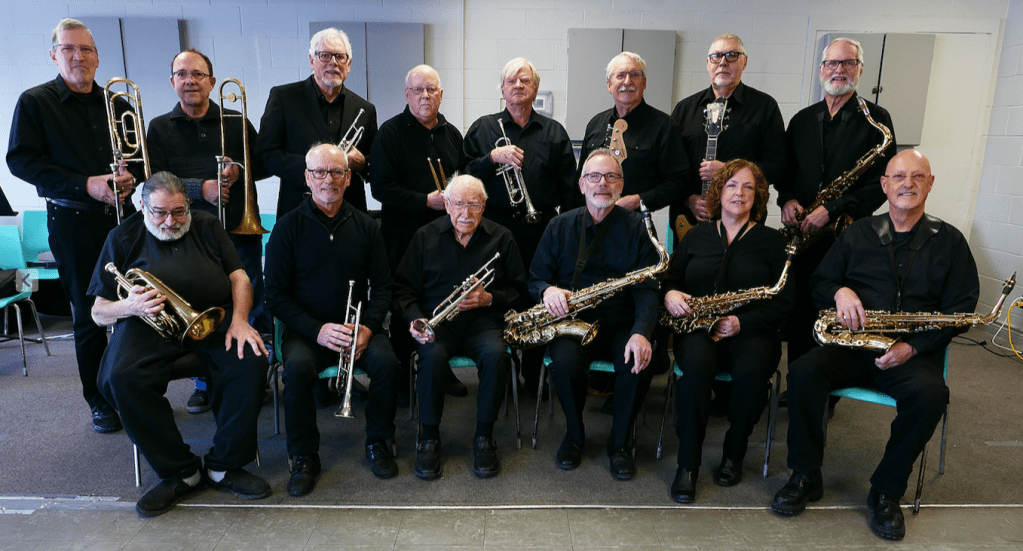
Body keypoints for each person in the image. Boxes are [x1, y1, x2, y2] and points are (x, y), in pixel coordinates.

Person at [770, 150, 978, 541]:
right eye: (898, 176)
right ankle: (805, 474)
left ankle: (886, 491)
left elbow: (961, 310)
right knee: (802, 372)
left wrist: (913, 347)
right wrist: (840, 291)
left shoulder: (950, 241)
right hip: (852, 347)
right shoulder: (858, 233)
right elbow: (820, 282)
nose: (907, 184)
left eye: (918, 176)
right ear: (884, 184)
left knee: (931, 395)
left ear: (930, 184)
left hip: (909, 353)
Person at [89, 172, 271, 517]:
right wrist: (129, 306)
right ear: (142, 206)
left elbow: (240, 278)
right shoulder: (122, 236)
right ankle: (180, 472)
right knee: (119, 377)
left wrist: (241, 320)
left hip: (213, 318)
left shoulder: (207, 224)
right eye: (159, 212)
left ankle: (225, 466)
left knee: (250, 359)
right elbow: (98, 312)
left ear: (188, 205)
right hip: (147, 324)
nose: (170, 222)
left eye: (178, 212)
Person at [6, 18, 140, 433]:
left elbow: (138, 157)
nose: (78, 56)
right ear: (54, 55)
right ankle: (99, 400)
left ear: (97, 57)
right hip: (72, 220)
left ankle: (131, 390)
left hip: (123, 218)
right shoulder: (35, 102)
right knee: (88, 315)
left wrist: (131, 176)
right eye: (68, 49)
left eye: (85, 49)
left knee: (135, 307)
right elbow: (20, 161)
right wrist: (85, 184)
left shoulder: (119, 103)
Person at [265, 143, 400, 495]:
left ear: (349, 178)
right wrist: (317, 330)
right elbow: (274, 296)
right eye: (320, 172)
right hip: (308, 331)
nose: (329, 180)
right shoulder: (287, 227)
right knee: (296, 370)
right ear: (307, 177)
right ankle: (304, 455)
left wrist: (369, 328)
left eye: (337, 172)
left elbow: (384, 288)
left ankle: (379, 442)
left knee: (387, 363)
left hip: (358, 328)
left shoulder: (367, 226)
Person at [661, 159, 793, 503]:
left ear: (758, 196)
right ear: (719, 192)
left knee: (751, 375)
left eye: (748, 187)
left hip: (753, 330)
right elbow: (670, 280)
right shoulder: (696, 236)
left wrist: (741, 323)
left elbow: (785, 302)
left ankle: (734, 453)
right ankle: (687, 465)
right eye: (732, 185)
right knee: (694, 374)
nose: (739, 193)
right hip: (700, 327)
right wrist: (671, 294)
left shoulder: (773, 241)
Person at [148, 48, 271, 413]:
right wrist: (199, 188)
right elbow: (155, 180)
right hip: (189, 234)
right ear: (172, 82)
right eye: (182, 74)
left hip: (239, 227)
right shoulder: (160, 127)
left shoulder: (235, 121)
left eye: (198, 74)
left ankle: (253, 374)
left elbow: (263, 164)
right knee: (201, 305)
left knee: (252, 299)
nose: (190, 81)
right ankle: (204, 380)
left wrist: (237, 169)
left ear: (212, 81)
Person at [529, 149, 661, 480]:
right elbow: (536, 278)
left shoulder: (638, 228)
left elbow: (647, 288)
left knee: (638, 362)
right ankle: (574, 436)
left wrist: (641, 332)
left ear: (621, 185)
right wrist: (548, 290)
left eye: (611, 176)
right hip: (574, 323)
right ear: (582, 185)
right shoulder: (559, 226)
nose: (602, 183)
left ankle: (620, 443)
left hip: (621, 322)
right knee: (564, 362)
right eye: (594, 176)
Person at [776, 37, 897, 379]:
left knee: (832, 312)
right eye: (832, 63)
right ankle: (798, 381)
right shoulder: (802, 119)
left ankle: (828, 388)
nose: (839, 69)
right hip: (803, 231)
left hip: (846, 234)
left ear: (860, 69)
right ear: (821, 70)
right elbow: (784, 171)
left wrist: (834, 208)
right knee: (800, 308)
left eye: (848, 63)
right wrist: (787, 199)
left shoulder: (878, 120)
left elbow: (882, 182)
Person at [393, 175, 528, 480]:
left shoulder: (502, 237)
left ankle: (484, 436)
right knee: (431, 357)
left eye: (474, 204)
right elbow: (403, 289)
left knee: (496, 356)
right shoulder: (424, 236)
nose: (466, 213)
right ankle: (429, 438)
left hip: (484, 323)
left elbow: (521, 290)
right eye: (458, 204)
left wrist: (490, 298)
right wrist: (415, 318)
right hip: (437, 323)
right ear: (446, 204)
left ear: (484, 206)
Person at [463, 57, 576, 398]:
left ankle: (533, 373)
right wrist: (491, 159)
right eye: (511, 81)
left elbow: (570, 189)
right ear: (502, 89)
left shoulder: (553, 132)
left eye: (525, 81)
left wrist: (565, 234)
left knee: (537, 299)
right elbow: (462, 176)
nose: (518, 86)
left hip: (541, 229)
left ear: (535, 89)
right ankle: (499, 368)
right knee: (497, 296)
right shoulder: (483, 128)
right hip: (493, 228)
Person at [370, 64, 468, 403]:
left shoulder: (452, 134)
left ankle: (441, 367)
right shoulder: (390, 132)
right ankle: (400, 375)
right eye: (417, 90)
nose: (425, 96)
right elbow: (380, 188)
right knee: (403, 305)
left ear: (441, 94)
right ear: (407, 94)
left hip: (445, 238)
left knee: (443, 299)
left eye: (431, 90)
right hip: (404, 236)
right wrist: (424, 200)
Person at [669, 33, 785, 242]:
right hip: (690, 222)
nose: (723, 62)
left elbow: (777, 166)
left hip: (745, 225)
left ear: (744, 62)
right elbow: (671, 167)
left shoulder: (765, 107)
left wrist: (730, 171)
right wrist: (688, 199)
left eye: (732, 55)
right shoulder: (684, 109)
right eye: (716, 56)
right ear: (707, 63)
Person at [257, 27, 377, 216]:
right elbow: (265, 154)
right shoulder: (284, 97)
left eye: (340, 57)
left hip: (350, 213)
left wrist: (362, 164)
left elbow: (375, 163)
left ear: (349, 64)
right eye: (325, 55)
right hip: (298, 211)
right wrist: (316, 169)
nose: (333, 62)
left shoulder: (365, 109)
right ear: (312, 61)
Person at [576, 52, 687, 214]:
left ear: (644, 82)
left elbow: (679, 183)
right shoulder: (595, 124)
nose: (627, 81)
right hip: (592, 220)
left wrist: (639, 200)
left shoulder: (664, 126)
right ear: (609, 84)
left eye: (635, 75)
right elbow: (581, 177)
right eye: (620, 75)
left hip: (635, 221)